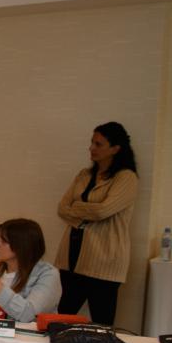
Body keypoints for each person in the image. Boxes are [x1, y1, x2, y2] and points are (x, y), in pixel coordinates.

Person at [54, 121, 139, 325]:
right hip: (71, 257)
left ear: (115, 148)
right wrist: (88, 210)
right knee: (60, 318)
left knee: (102, 322)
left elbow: (103, 211)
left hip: (104, 260)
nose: (91, 148)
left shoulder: (126, 177)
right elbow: (62, 208)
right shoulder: (84, 175)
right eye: (92, 142)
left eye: (99, 144)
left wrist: (77, 207)